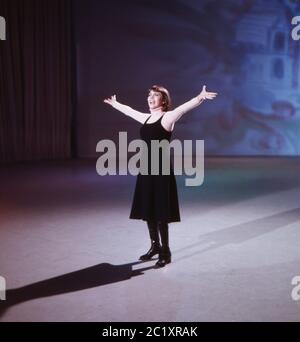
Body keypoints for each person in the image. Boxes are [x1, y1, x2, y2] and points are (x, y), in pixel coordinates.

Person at [104, 85, 217, 268]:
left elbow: (184, 107)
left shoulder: (168, 116)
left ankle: (166, 251)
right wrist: (116, 104)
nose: (150, 98)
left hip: (161, 171)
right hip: (146, 170)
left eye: (155, 96)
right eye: (149, 95)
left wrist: (200, 97)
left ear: (163, 100)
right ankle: (154, 246)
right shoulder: (147, 118)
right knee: (148, 209)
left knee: (161, 212)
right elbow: (129, 111)